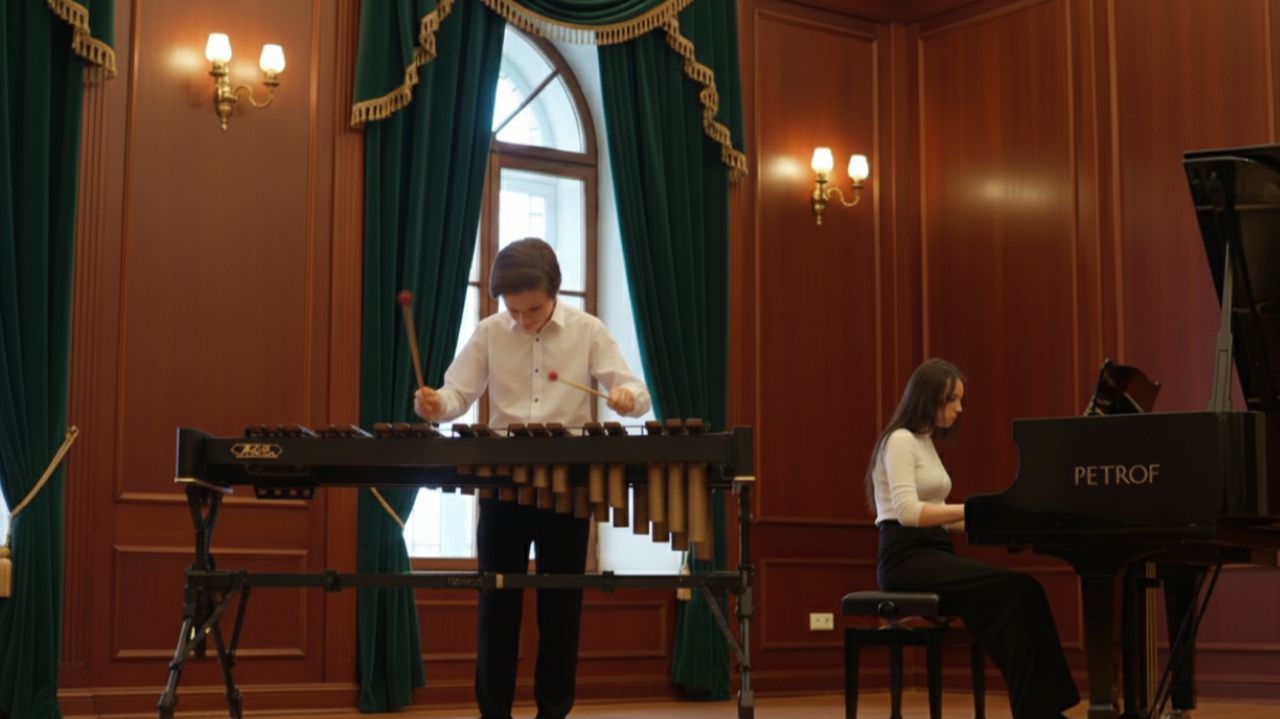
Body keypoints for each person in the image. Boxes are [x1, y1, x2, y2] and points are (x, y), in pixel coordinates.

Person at [413, 237, 651, 719]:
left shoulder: (588, 330)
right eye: (513, 309)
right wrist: (434, 404)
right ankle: (494, 712)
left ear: (554, 292)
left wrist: (627, 398)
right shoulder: (489, 332)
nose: (523, 319)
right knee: (496, 604)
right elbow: (457, 394)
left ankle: (553, 711)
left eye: (534, 309)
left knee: (561, 608)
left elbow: (635, 391)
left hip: (568, 484)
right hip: (503, 483)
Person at [866, 358, 1079, 719]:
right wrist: (974, 509)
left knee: (1024, 591)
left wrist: (1003, 518)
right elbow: (908, 512)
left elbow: (940, 515)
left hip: (933, 550)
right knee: (1018, 589)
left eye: (960, 399)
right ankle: (1037, 711)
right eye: (951, 399)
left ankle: (1040, 709)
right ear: (928, 397)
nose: (959, 408)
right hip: (906, 558)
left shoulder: (925, 442)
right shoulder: (900, 440)